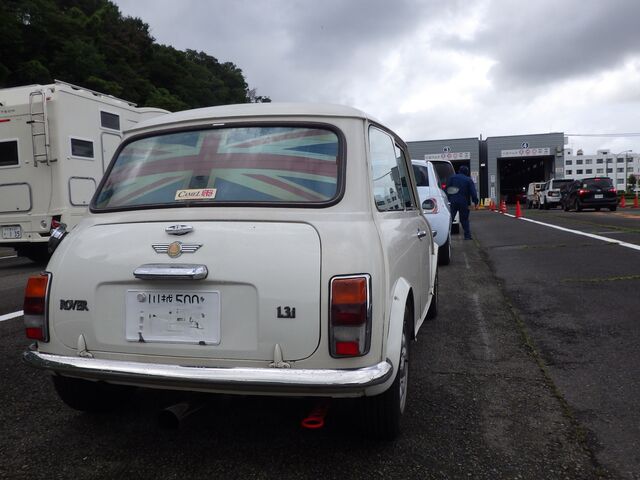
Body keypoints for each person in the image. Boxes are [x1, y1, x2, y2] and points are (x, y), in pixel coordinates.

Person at [446, 165, 479, 240]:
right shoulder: (468, 180)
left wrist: (447, 199)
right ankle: (467, 236)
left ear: (459, 171)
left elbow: (447, 189)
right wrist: (476, 202)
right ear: (466, 172)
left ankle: (446, 236)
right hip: (463, 202)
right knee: (464, 219)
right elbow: (473, 193)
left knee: (450, 219)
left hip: (453, 201)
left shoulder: (452, 178)